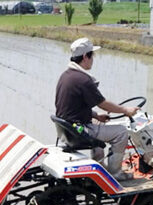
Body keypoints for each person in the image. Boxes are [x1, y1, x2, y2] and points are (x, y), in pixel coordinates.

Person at [55, 37, 139, 181]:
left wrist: (96, 116)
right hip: (80, 130)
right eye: (92, 55)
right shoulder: (83, 80)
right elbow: (103, 103)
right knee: (121, 133)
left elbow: (71, 106)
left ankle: (99, 166)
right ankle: (116, 173)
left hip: (70, 129)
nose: (93, 59)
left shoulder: (66, 76)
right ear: (85, 57)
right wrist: (126, 110)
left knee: (100, 123)